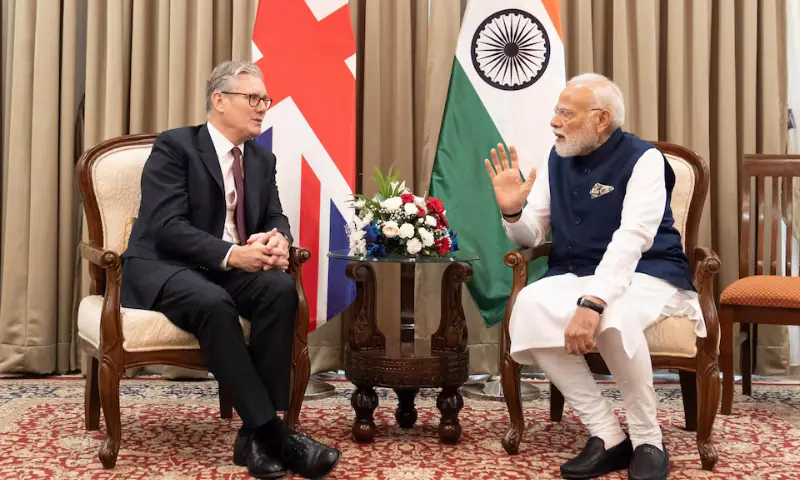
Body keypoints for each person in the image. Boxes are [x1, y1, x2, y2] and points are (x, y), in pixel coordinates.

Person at [121, 60, 340, 479]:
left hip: (224, 270)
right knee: (214, 302)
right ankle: (276, 434)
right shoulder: (175, 146)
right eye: (252, 98)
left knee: (279, 289)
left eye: (265, 99)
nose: (262, 107)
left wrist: (279, 239)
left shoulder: (261, 159)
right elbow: (166, 227)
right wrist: (232, 254)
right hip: (166, 266)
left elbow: (274, 215)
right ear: (219, 100)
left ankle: (254, 439)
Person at [485, 73, 705, 480]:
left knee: (613, 317)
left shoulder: (644, 159)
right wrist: (513, 212)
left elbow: (632, 238)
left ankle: (647, 438)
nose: (555, 122)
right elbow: (532, 235)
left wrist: (593, 303)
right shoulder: (557, 158)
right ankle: (607, 434)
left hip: (648, 271)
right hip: (577, 271)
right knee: (529, 305)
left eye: (566, 114)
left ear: (601, 119)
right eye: (556, 111)